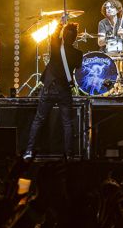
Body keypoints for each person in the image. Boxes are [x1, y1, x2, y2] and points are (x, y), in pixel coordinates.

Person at [24, 17, 82, 159]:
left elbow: (53, 36)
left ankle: (29, 151)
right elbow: (78, 68)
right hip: (64, 90)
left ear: (64, 35)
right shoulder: (78, 54)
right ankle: (69, 154)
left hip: (50, 87)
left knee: (39, 120)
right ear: (75, 38)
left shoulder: (56, 46)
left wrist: (61, 23)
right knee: (67, 123)